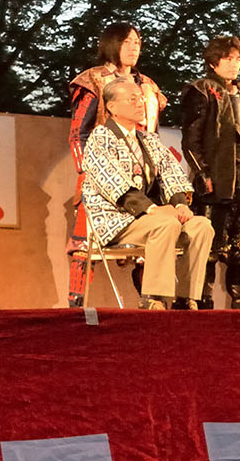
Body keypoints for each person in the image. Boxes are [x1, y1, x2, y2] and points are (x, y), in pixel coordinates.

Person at [81, 78, 212, 309]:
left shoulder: (149, 139)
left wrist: (180, 204)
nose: (140, 103)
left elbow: (171, 173)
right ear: (111, 107)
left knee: (201, 226)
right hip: (117, 219)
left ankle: (186, 297)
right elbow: (111, 182)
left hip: (152, 219)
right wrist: (152, 209)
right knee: (166, 224)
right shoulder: (100, 138)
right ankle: (153, 297)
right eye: (132, 99)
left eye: (141, 98)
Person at [66, 23, 169, 307]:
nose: (134, 47)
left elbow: (153, 135)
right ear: (112, 44)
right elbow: (78, 133)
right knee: (85, 245)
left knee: (152, 241)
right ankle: (76, 306)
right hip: (102, 176)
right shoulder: (93, 80)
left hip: (141, 179)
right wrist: (89, 173)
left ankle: (152, 302)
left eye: (137, 41)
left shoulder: (148, 86)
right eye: (127, 42)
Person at [181, 35, 240, 307]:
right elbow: (191, 141)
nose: (234, 64)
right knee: (208, 249)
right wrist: (202, 173)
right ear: (213, 62)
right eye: (227, 59)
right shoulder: (201, 90)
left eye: (237, 59)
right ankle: (202, 301)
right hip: (216, 180)